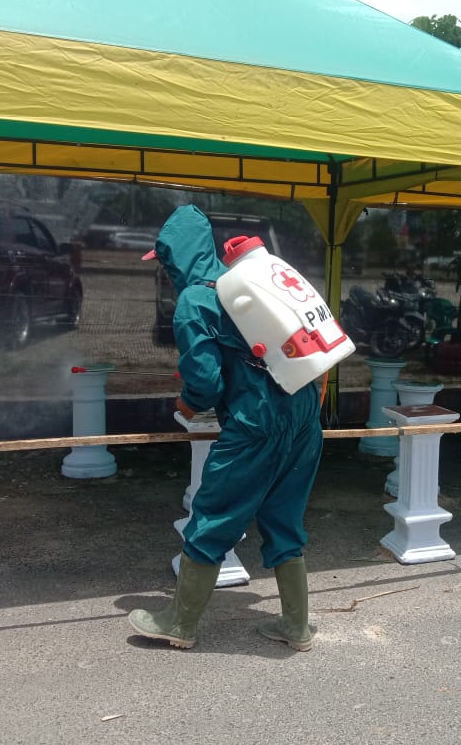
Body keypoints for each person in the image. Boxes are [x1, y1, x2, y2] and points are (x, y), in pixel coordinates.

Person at [129, 205, 323, 652]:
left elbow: (205, 382)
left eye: (164, 261)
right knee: (285, 520)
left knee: (214, 516)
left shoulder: (194, 302)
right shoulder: (250, 282)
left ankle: (179, 623)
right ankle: (296, 628)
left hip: (255, 425)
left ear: (175, 257)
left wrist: (185, 405)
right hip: (303, 416)